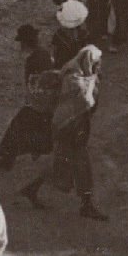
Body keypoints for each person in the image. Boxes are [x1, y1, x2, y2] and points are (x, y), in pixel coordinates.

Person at [20, 45, 107, 220]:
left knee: (64, 163)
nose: (98, 66)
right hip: (68, 126)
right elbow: (85, 100)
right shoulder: (73, 77)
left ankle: (32, 188)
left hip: (73, 125)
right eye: (96, 63)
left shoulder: (77, 72)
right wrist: (92, 83)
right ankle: (86, 204)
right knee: (79, 164)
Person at [0, 24, 55, 170]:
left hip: (38, 103)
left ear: (25, 43)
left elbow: (34, 85)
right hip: (48, 101)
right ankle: (16, 157)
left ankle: (7, 161)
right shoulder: (44, 53)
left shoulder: (32, 60)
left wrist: (31, 101)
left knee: (17, 128)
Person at [52, 0, 90, 68]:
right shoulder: (84, 34)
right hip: (80, 67)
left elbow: (55, 54)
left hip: (63, 67)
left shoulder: (58, 35)